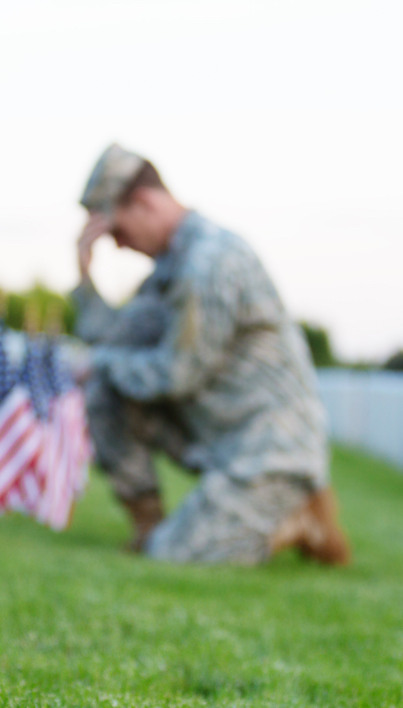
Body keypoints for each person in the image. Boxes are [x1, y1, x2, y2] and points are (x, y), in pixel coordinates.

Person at [70, 143, 350, 565]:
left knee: (174, 555)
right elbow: (115, 344)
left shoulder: (209, 263)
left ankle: (296, 517)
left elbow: (176, 375)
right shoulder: (170, 266)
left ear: (145, 203)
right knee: (107, 389)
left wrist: (98, 365)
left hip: (269, 448)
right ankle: (149, 527)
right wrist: (85, 278)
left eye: (118, 233)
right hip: (219, 435)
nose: (120, 247)